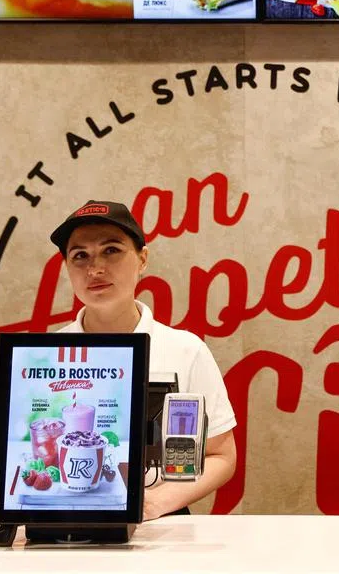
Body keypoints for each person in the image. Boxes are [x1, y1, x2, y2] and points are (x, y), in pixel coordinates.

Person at [50, 200, 237, 520]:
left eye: (111, 250)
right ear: (67, 268)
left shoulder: (184, 350)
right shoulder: (44, 355)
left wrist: (154, 503)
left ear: (142, 259)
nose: (95, 268)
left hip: (160, 523)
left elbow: (221, 456)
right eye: (80, 255)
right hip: (62, 515)